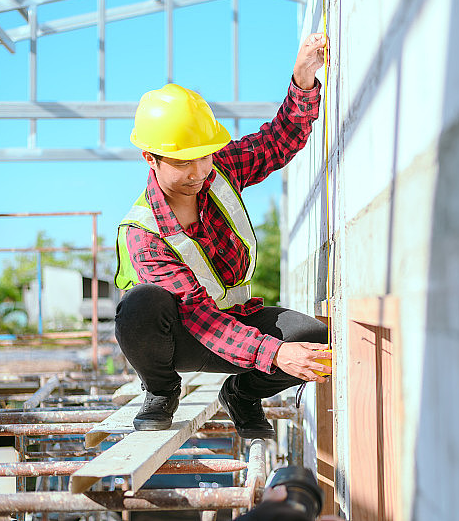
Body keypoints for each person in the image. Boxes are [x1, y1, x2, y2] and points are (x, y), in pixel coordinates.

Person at [114, 33, 333, 438]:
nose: (198, 172)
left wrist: (303, 80)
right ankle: (161, 391)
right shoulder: (144, 233)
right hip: (181, 337)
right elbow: (198, 316)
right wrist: (276, 353)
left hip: (238, 323)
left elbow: (276, 141)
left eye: (204, 155)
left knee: (315, 339)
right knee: (139, 307)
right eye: (183, 162)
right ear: (151, 158)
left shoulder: (218, 171)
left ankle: (241, 394)